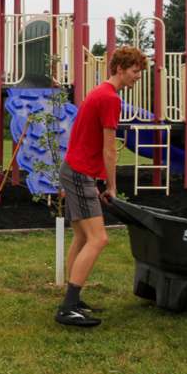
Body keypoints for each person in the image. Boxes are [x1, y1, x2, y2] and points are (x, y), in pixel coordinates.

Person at [55, 46, 146, 328]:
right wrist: (111, 185)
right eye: (134, 71)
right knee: (99, 239)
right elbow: (110, 150)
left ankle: (72, 299)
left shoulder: (98, 93)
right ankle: (68, 307)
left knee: (82, 237)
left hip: (74, 170)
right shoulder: (110, 98)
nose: (137, 77)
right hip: (79, 172)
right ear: (120, 68)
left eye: (139, 72)